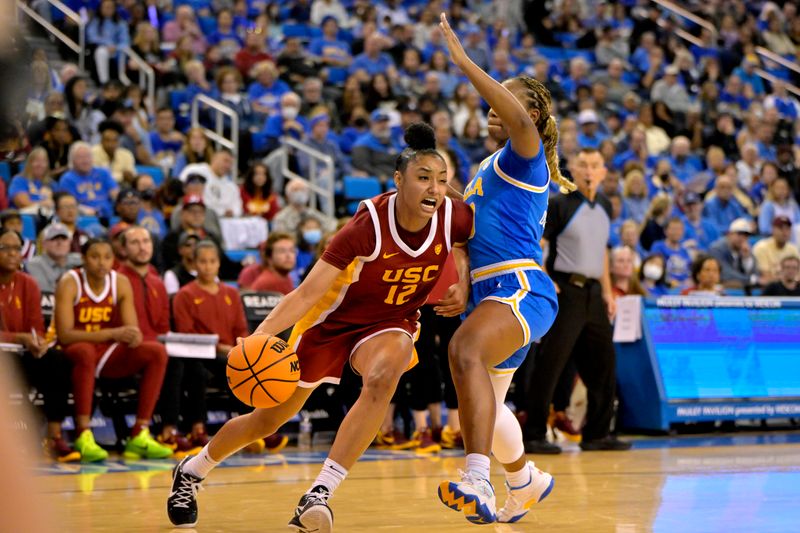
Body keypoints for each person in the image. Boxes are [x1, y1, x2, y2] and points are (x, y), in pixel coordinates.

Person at [166, 123, 472, 531]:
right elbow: (306, 294)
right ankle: (192, 469)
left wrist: (464, 281)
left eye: (441, 180)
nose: (434, 189)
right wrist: (262, 335)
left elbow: (470, 245)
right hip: (330, 324)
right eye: (422, 178)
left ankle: (320, 493)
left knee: (385, 376)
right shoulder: (365, 228)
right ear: (398, 181)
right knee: (267, 420)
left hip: (390, 322)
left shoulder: (455, 215)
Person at [435, 14, 576, 525]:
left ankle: (478, 479)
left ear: (531, 111)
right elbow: (470, 221)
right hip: (488, 293)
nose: (493, 109)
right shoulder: (489, 168)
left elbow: (516, 120)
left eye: (505, 100)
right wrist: (434, 190)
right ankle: (525, 481)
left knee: (464, 351)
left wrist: (464, 61)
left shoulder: (523, 154)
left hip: (518, 288)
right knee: (487, 409)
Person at [522, 150, 631, 458]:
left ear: (603, 171)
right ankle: (533, 434)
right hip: (565, 291)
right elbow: (535, 245)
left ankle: (597, 434)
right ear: (571, 168)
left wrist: (608, 292)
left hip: (594, 293)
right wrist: (544, 279)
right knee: (551, 363)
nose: (588, 170)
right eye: (583, 164)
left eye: (594, 165)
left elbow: (603, 253)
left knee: (604, 364)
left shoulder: (606, 205)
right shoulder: (559, 204)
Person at [54, 238, 172, 461]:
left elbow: (130, 329)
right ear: (83, 259)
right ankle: (83, 433)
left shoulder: (120, 282)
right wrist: (112, 334)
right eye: (95, 257)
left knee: (156, 351)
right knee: (85, 351)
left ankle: (139, 433)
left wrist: (133, 335)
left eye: (107, 257)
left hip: (106, 353)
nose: (101, 262)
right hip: (72, 352)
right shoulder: (70, 282)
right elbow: (65, 335)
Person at [0, 228, 75, 462]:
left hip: (22, 352)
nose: (13, 253)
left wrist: (36, 341)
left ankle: (54, 436)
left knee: (57, 360)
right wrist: (18, 338)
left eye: (16, 248)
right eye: (5, 248)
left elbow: (36, 327)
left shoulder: (28, 283)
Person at [25, 223, 82, 293]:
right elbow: (46, 293)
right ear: (44, 244)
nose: (59, 242)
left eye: (64, 238)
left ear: (70, 242)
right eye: (54, 238)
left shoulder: (80, 260)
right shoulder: (34, 265)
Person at [753, 216, 799, 284]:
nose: (784, 232)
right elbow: (766, 277)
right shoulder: (761, 247)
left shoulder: (793, 249)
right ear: (773, 229)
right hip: (771, 290)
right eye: (781, 228)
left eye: (787, 228)